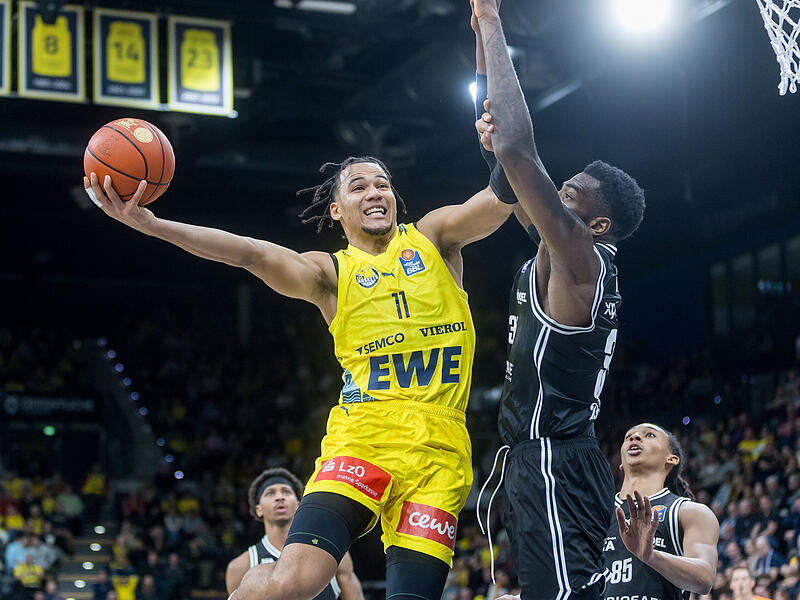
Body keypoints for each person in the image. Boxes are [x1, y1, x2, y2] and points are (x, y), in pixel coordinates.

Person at [86, 140, 516, 598]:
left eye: (383, 184)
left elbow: (500, 200)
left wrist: (501, 150)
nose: (374, 191)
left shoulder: (434, 238)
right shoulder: (329, 274)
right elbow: (249, 253)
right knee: (293, 584)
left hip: (440, 452)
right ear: (336, 211)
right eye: (358, 186)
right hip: (363, 438)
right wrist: (152, 226)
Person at [471, 0, 646, 597]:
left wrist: (494, 21)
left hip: (552, 458)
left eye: (569, 195)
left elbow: (519, 153)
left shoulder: (580, 259)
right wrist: (477, 30)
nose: (555, 195)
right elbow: (504, 151)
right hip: (551, 459)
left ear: (596, 226)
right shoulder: (557, 250)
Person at [603, 423, 719, 600]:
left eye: (649, 435)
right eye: (629, 436)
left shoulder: (689, 512)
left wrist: (651, 556)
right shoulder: (597, 513)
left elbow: (705, 579)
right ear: (621, 463)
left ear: (671, 459)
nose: (635, 438)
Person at [225, 468, 362, 599]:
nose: (279, 497)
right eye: (270, 493)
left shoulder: (333, 552)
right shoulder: (240, 566)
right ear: (258, 509)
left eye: (286, 492)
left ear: (298, 505)